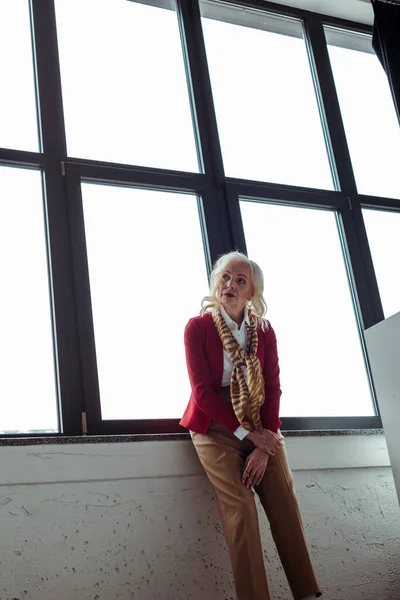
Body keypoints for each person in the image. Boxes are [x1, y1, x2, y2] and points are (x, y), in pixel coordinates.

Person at [180, 251, 322, 600]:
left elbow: (272, 387)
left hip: (260, 421)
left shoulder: (264, 330)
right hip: (215, 426)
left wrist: (265, 439)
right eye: (225, 277)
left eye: (240, 280)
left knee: (285, 503)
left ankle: (306, 593)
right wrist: (248, 436)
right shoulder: (197, 328)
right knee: (241, 510)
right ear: (217, 283)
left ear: (252, 293)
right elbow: (203, 393)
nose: (230, 284)